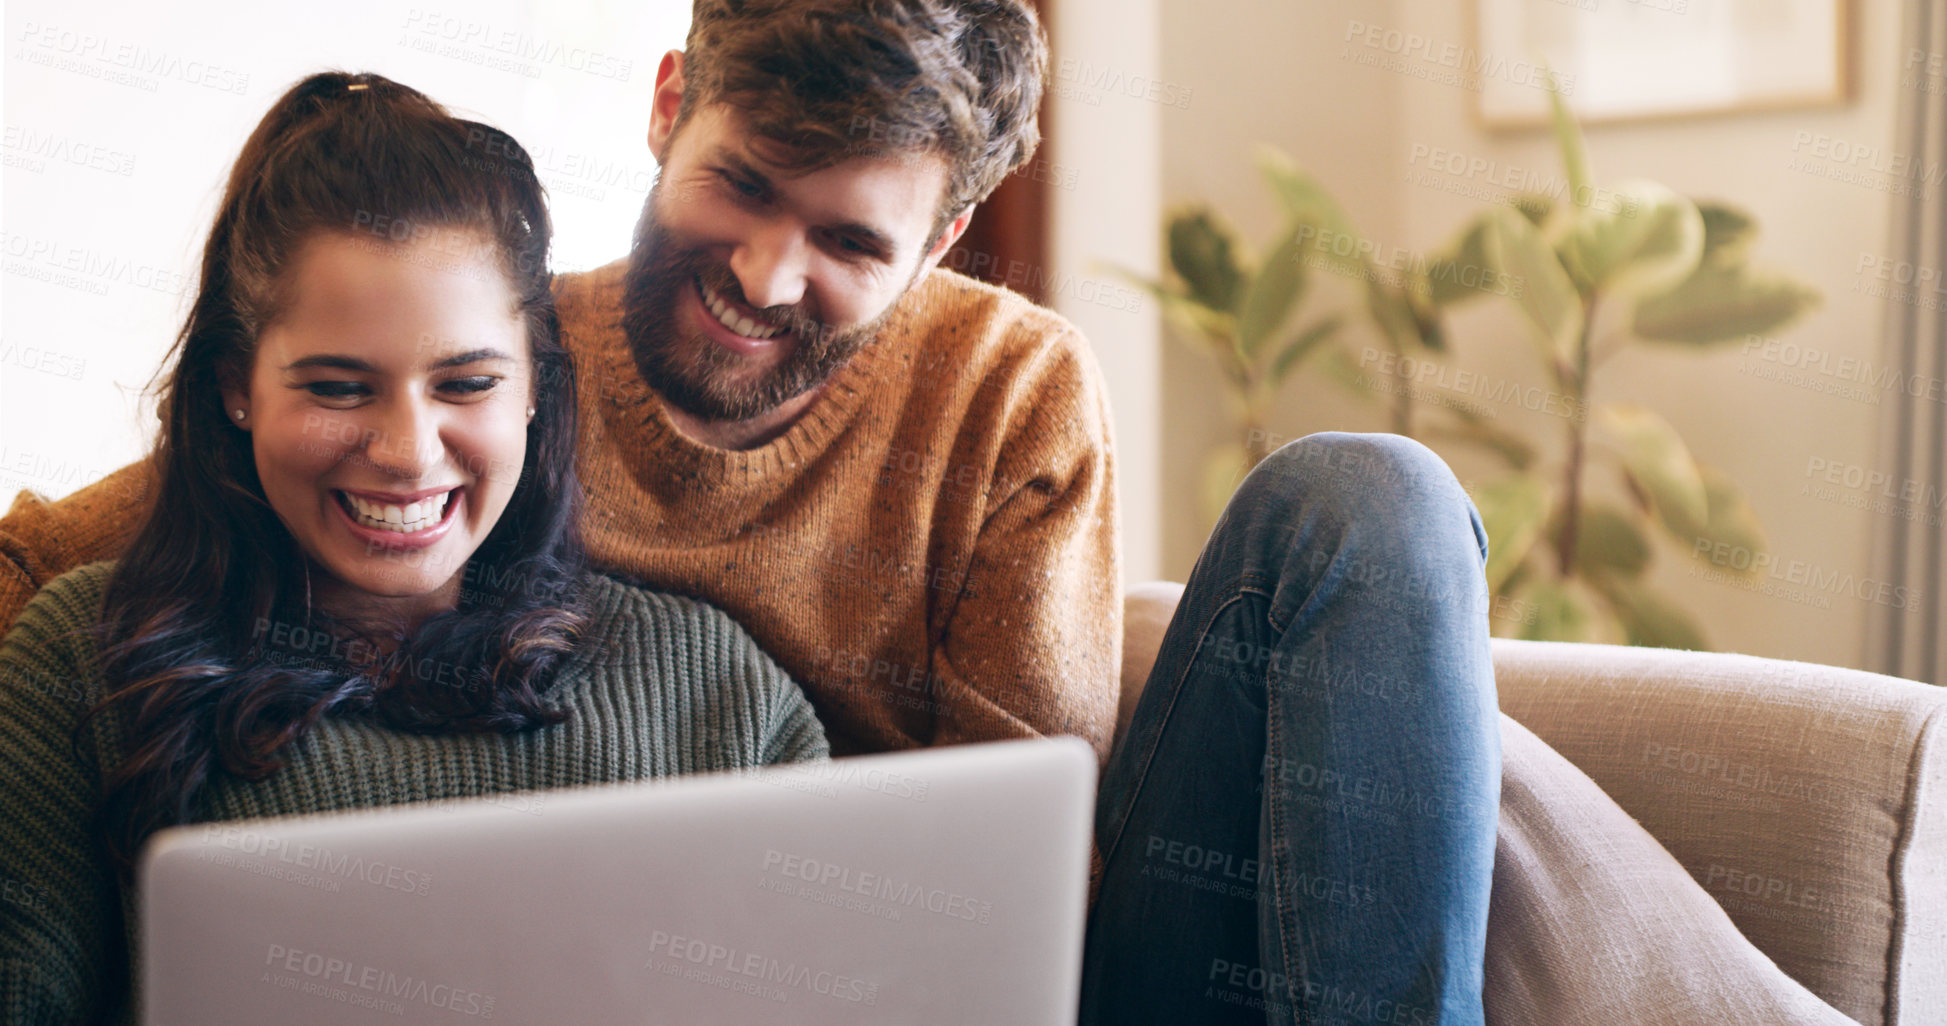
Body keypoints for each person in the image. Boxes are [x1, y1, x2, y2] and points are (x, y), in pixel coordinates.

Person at [0, 2, 1498, 1022]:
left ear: (947, 234)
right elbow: (149, 519)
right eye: (743, 185)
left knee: (1368, 502)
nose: (764, 278)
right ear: (669, 107)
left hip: (957, 974)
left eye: (849, 238)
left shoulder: (1008, 392)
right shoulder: (486, 365)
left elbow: (1032, 861)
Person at [0, 72, 826, 1025]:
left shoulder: (711, 691)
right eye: (338, 389)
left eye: (467, 383)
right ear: (237, 387)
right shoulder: (84, 664)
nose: (405, 453)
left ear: (531, 386)